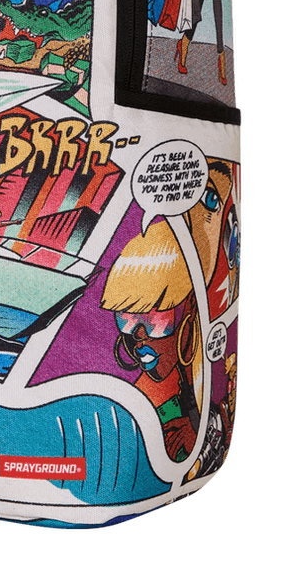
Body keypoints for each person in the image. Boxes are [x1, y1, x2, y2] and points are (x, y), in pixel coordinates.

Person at [101, 158, 236, 463]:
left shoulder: (205, 366)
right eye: (126, 320)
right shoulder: (145, 400)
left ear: (188, 310)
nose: (138, 338)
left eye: (154, 320)